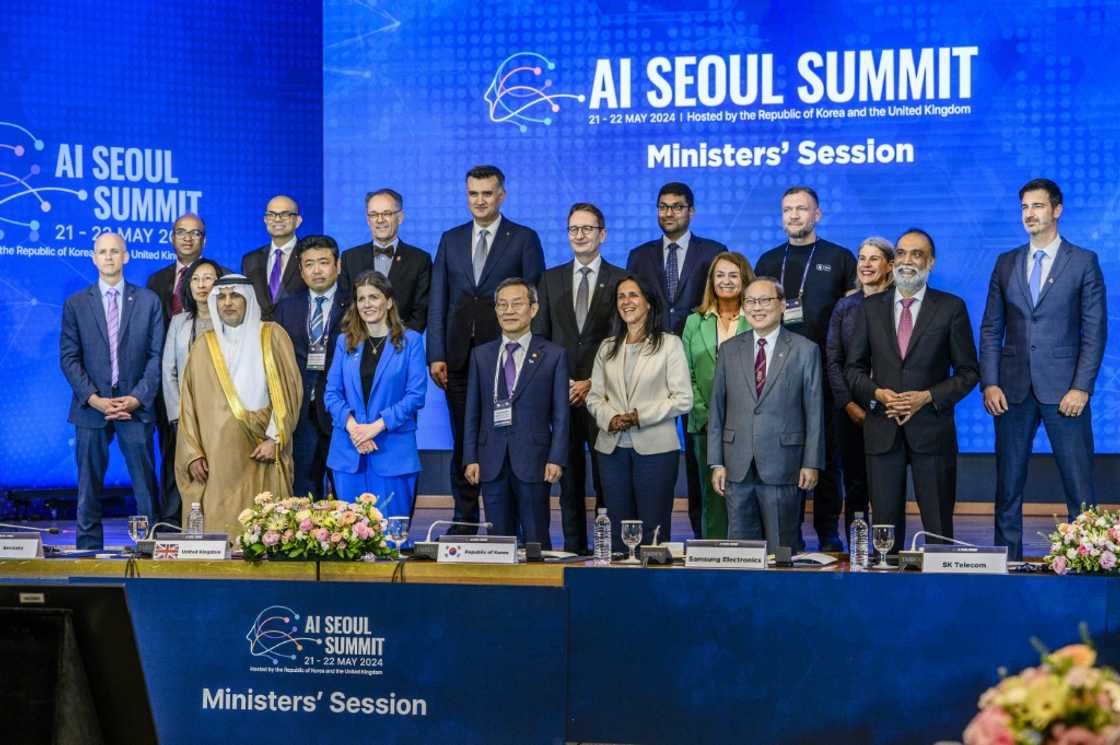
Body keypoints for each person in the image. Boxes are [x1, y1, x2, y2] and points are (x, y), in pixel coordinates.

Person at [980, 179, 1107, 560]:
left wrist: (1081, 387)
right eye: (1024, 207)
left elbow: (1094, 331)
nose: (1029, 214)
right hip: (1012, 391)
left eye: (1036, 206)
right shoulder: (1005, 263)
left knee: (1079, 487)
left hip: (1065, 391)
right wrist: (990, 383)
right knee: (1007, 488)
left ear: (1057, 209)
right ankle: (1008, 563)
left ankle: (1087, 562)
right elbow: (991, 329)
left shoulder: (1084, 261)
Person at [845, 229, 979, 552]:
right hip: (882, 430)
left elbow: (968, 373)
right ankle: (888, 594)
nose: (907, 261)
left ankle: (941, 594)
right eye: (901, 254)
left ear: (930, 262)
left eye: (916, 254)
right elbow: (853, 370)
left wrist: (927, 397)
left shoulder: (951, 307)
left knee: (938, 529)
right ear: (892, 264)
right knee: (884, 532)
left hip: (932, 430)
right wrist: (878, 395)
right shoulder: (869, 308)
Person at [428, 165, 545, 534]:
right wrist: (436, 353)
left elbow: (535, 298)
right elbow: (438, 300)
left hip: (509, 358)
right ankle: (463, 520)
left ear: (501, 196)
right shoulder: (451, 238)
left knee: (506, 439)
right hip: (460, 358)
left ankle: (507, 522)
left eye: (487, 193)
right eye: (473, 194)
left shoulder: (524, 238)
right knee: (464, 439)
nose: (479, 200)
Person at [754, 186, 858, 552]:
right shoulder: (767, 261)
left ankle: (828, 531)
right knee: (786, 454)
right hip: (779, 373)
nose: (794, 215)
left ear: (818, 215)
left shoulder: (840, 257)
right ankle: (788, 531)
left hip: (828, 371)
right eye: (787, 210)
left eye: (802, 209)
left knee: (828, 457)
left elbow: (853, 315)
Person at [626, 182, 726, 539]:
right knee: (653, 454)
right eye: (663, 206)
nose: (669, 213)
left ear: (691, 212)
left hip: (699, 367)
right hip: (651, 368)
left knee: (701, 457)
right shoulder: (639, 256)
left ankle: (705, 534)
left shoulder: (713, 252)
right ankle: (651, 533)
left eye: (677, 206)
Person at [174, 275, 302, 540]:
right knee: (218, 532)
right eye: (221, 297)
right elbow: (188, 405)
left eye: (235, 297)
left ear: (249, 300)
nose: (228, 303)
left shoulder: (271, 336)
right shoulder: (202, 346)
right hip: (215, 459)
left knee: (265, 530)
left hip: (260, 453)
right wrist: (193, 452)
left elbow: (289, 393)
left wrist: (275, 439)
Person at [60, 232, 164, 549]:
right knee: (88, 487)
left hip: (136, 406)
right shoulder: (76, 303)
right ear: (94, 258)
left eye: (115, 251)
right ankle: (87, 550)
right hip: (91, 408)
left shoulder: (148, 301)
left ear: (126, 256)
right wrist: (95, 399)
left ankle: (150, 547)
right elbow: (68, 357)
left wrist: (135, 398)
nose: (108, 257)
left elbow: (156, 356)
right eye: (102, 252)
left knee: (145, 486)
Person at [533, 202, 626, 554]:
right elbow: (541, 338)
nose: (580, 235)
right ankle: (573, 546)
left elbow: (621, 340)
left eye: (588, 229)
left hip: (604, 395)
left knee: (607, 476)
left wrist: (591, 382)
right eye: (574, 229)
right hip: (562, 394)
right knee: (567, 476)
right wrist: (565, 383)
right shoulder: (549, 278)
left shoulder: (620, 279)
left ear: (602, 234)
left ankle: (609, 548)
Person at [708, 277, 823, 552]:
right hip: (737, 465)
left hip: (784, 465)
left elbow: (814, 411)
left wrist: (811, 462)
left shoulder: (805, 350)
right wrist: (716, 462)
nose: (757, 308)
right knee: (741, 550)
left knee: (782, 548)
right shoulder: (729, 349)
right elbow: (717, 409)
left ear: (782, 305)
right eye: (750, 301)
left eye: (765, 301)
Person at [587, 275, 692, 549]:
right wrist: (610, 418)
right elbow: (595, 396)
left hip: (656, 450)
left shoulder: (670, 344)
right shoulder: (607, 347)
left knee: (653, 532)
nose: (626, 302)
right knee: (618, 532)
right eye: (621, 297)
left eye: (633, 295)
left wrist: (638, 416)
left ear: (648, 302)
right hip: (611, 450)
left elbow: (682, 399)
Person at [463, 278, 568, 548]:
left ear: (533, 309)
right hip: (491, 460)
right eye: (502, 304)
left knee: (536, 540)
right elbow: (472, 412)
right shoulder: (481, 355)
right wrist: (470, 457)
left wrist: (557, 457)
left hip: (534, 460)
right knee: (498, 542)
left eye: (517, 304)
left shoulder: (553, 355)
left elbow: (560, 414)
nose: (508, 311)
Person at [324, 271, 427, 516]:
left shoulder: (410, 341)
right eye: (361, 299)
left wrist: (376, 427)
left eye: (374, 297)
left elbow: (415, 395)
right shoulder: (344, 341)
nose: (367, 304)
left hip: (392, 451)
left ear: (389, 301)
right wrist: (355, 429)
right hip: (348, 452)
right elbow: (331, 393)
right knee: (350, 540)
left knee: (389, 541)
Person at [146, 212, 213, 528]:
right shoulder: (156, 280)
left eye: (195, 233)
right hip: (168, 396)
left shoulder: (222, 280)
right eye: (181, 232)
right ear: (172, 238)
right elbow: (163, 358)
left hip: (215, 406)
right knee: (173, 458)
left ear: (204, 240)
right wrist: (176, 408)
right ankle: (172, 522)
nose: (188, 238)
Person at [681, 251, 754, 539]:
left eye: (733, 275)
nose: (726, 281)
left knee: (746, 493)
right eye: (720, 275)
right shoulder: (694, 322)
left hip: (749, 425)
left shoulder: (757, 318)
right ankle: (713, 557)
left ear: (745, 279)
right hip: (704, 425)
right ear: (711, 280)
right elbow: (687, 375)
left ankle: (747, 557)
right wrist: (708, 416)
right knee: (711, 495)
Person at [825, 237, 894, 536]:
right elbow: (833, 359)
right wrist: (849, 404)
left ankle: (887, 546)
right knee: (854, 482)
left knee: (887, 482)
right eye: (862, 257)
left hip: (890, 408)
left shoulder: (900, 302)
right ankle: (858, 548)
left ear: (889, 265)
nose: (866, 264)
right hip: (850, 408)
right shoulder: (845, 306)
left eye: (874, 258)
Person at [273, 236, 350, 499]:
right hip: (300, 411)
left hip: (343, 412)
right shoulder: (285, 308)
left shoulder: (355, 305)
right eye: (309, 264)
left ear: (338, 266)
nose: (317, 270)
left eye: (324, 262)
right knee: (305, 487)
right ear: (301, 270)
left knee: (344, 488)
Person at [161, 258, 225, 524]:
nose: (202, 285)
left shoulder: (230, 321)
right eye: (196, 279)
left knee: (219, 474)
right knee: (189, 473)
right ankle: (184, 531)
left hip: (223, 415)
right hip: (186, 416)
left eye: (208, 278)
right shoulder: (179, 322)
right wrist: (178, 415)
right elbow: (168, 370)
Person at [338, 189, 431, 332]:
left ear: (400, 217)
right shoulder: (349, 258)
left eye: (387, 213)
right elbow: (345, 306)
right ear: (368, 220)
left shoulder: (420, 259)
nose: (380, 220)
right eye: (374, 215)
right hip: (359, 343)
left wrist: (399, 342)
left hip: (402, 345)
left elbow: (421, 312)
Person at [242, 195, 306, 320]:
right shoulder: (250, 260)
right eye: (271, 215)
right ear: (265, 220)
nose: (277, 219)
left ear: (298, 221)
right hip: (260, 334)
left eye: (285, 214)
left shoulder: (307, 255)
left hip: (297, 334)